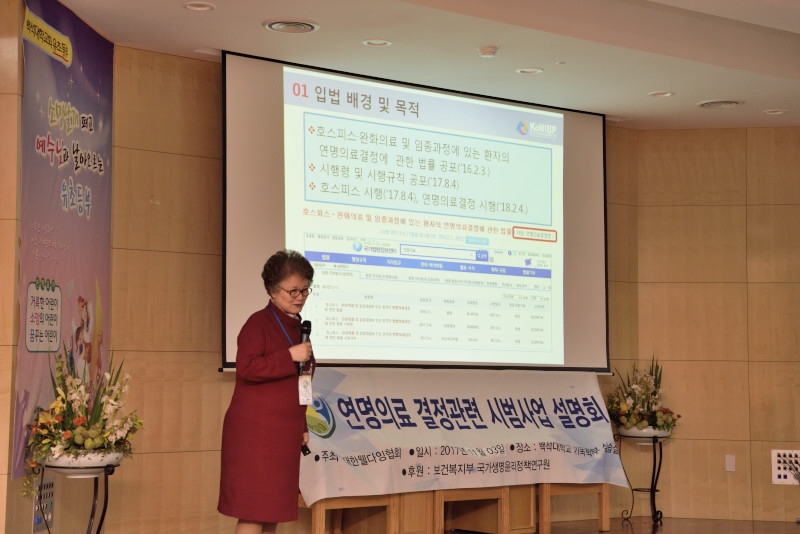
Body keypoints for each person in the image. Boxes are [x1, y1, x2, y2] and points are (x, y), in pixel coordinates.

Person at [218, 250, 316, 534]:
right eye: (292, 290)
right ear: (273, 290)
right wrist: (289, 356)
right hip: (257, 433)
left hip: (284, 431)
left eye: (305, 289)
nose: (300, 296)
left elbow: (299, 380)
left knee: (272, 510)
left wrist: (302, 424)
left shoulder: (296, 327)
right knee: (254, 510)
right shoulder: (258, 323)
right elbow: (247, 367)